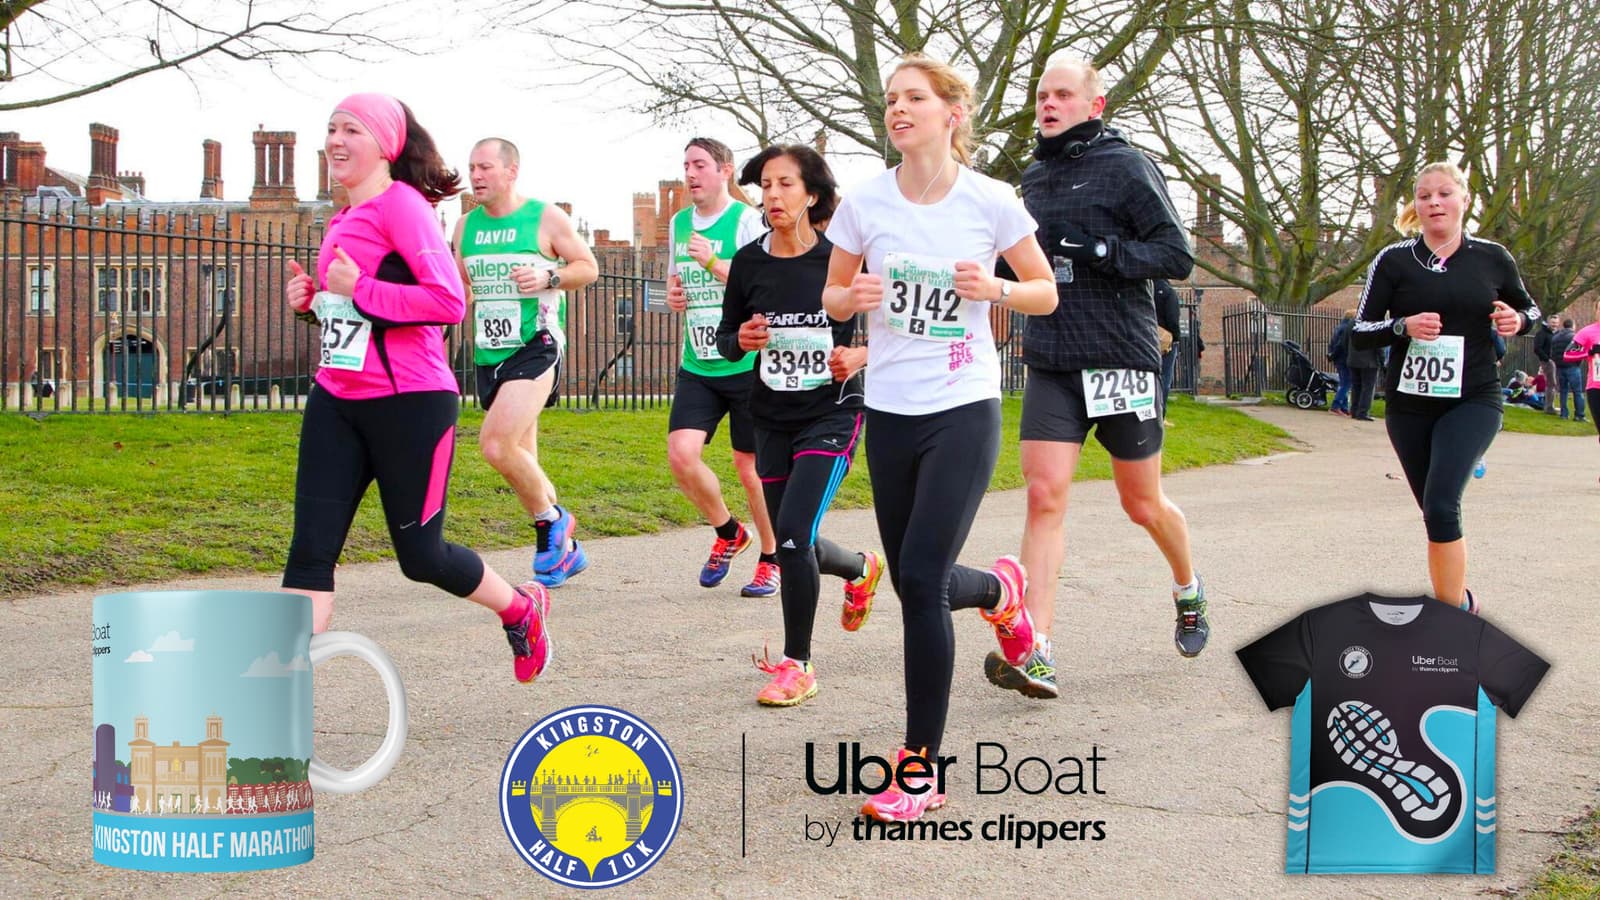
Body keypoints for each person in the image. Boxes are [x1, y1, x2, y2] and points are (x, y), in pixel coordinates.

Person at [823, 53, 1057, 822]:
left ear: (951, 113)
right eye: (891, 99)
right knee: (914, 581)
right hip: (889, 409)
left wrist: (996, 289)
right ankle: (999, 590)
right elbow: (831, 294)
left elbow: (1045, 292)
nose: (898, 110)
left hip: (963, 404)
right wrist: (848, 296)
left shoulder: (992, 201)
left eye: (914, 98)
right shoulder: (864, 201)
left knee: (919, 580)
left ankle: (919, 767)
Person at [282, 93, 549, 682]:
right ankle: (275, 707)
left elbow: (449, 301)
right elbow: (351, 312)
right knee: (309, 554)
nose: (335, 140)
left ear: (385, 144)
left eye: (351, 128)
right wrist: (314, 305)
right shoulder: (343, 219)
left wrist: (361, 291)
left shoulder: (403, 207)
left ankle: (521, 608)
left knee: (421, 558)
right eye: (330, 128)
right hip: (337, 397)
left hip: (408, 405)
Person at [987, 55, 1203, 706]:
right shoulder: (1033, 176)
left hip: (1119, 358)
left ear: (1094, 105)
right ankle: (1037, 650)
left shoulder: (1127, 166)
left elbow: (1178, 255)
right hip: (1053, 356)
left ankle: (1188, 589)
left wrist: (1108, 255)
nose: (1048, 105)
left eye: (1062, 95)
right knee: (1044, 495)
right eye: (1041, 96)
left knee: (1141, 503)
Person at [714, 144, 881, 707]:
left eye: (786, 184)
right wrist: (742, 339)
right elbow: (726, 334)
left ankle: (797, 664)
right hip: (771, 414)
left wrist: (857, 357)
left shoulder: (843, 259)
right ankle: (859, 567)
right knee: (794, 537)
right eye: (766, 185)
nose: (773, 195)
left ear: (811, 194)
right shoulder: (748, 262)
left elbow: (892, 328)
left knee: (789, 535)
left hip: (831, 412)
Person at [1350, 161, 1539, 614]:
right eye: (1424, 195)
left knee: (1440, 503)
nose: (1434, 202)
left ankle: (1449, 620)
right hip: (1410, 406)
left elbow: (1530, 310)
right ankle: (1462, 602)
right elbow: (1360, 330)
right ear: (1415, 205)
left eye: (1444, 193)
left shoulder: (1492, 257)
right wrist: (1402, 326)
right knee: (1434, 512)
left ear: (1464, 199)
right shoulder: (1394, 260)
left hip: (1474, 398)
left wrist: (1518, 320)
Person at [454, 137, 598, 588]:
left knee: (496, 445)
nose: (476, 176)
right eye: (472, 168)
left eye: (485, 168)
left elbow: (587, 267)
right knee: (523, 459)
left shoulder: (545, 216)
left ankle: (556, 520)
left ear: (511, 171)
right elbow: (461, 291)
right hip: (488, 351)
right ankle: (562, 552)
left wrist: (548, 275)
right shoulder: (464, 228)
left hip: (536, 343)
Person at [664, 137, 780, 596]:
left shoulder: (746, 220)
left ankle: (772, 558)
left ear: (725, 170)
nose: (691, 173)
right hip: (699, 361)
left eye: (700, 165)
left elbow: (762, 280)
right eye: (686, 165)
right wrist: (675, 294)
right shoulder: (678, 223)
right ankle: (729, 531)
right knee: (682, 455)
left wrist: (712, 260)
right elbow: (677, 280)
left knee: (749, 467)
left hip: (746, 361)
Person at [1561, 302, 1600, 480]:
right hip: (1596, 387)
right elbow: (1568, 354)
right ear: (1596, 311)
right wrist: (1590, 351)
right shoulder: (1587, 332)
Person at [1154, 278, 1181, 424]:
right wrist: (1176, 338)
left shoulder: (1142, 287)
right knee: (1163, 379)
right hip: (1164, 342)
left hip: (1143, 338)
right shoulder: (1168, 291)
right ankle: (1160, 417)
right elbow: (1173, 320)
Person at [1552, 317, 1587, 422]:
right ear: (1572, 325)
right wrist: (1577, 363)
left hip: (1560, 367)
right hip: (1572, 367)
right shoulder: (1574, 337)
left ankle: (1564, 414)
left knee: (1563, 391)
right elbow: (1579, 352)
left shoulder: (1555, 337)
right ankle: (1579, 415)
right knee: (1577, 391)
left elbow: (1552, 353)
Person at [1326, 310, 1354, 415]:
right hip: (1343, 358)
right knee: (1346, 383)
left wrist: (1332, 355)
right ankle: (1336, 405)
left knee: (1344, 383)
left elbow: (1333, 343)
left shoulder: (1339, 327)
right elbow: (1341, 344)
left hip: (1338, 359)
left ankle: (1344, 407)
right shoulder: (1347, 328)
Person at [1534, 314, 1559, 416]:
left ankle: (1550, 405)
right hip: (1547, 362)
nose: (1555, 325)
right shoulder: (1542, 333)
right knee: (1551, 383)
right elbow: (1537, 348)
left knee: (1553, 384)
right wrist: (1547, 359)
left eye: (1556, 323)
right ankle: (1549, 407)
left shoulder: (1554, 333)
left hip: (1554, 361)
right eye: (1553, 323)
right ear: (1548, 322)